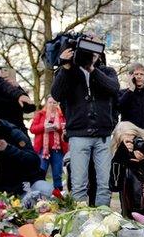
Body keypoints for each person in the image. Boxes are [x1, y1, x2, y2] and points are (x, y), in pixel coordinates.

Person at [50, 37, 120, 206]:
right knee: (79, 185)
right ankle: (79, 220)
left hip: (102, 136)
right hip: (78, 135)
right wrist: (65, 67)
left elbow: (113, 88)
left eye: (95, 51)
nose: (91, 55)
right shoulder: (68, 73)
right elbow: (56, 95)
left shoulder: (107, 71)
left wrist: (92, 69)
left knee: (104, 184)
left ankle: (103, 221)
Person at [29, 97, 68, 190]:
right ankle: (39, 194)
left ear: (57, 104)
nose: (52, 104)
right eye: (50, 102)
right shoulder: (40, 114)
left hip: (57, 149)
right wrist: (44, 127)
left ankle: (58, 197)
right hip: (43, 149)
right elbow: (32, 129)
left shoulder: (62, 115)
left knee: (57, 174)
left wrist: (57, 128)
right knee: (41, 172)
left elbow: (66, 128)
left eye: (54, 103)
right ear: (47, 103)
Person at [118, 63, 144, 132]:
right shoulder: (123, 93)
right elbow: (119, 108)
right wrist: (131, 90)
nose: (139, 77)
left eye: (141, 74)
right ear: (131, 76)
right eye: (136, 74)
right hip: (128, 136)